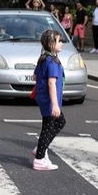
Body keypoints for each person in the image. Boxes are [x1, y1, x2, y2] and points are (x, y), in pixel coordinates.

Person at [31, 30, 67, 171]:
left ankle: (41, 147)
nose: (62, 43)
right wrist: (55, 105)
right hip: (49, 101)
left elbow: (35, 76)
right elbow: (51, 83)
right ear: (51, 44)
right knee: (48, 127)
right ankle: (39, 159)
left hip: (44, 98)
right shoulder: (51, 61)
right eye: (59, 41)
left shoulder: (44, 58)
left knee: (59, 122)